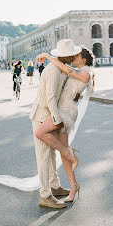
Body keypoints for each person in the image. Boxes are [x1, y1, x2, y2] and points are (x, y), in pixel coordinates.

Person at [35, 47, 94, 202]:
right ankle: (73, 186)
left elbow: (63, 67)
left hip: (66, 111)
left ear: (83, 59)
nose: (74, 57)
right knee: (61, 151)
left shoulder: (86, 73)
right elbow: (63, 69)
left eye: (77, 55)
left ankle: (69, 153)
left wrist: (47, 55)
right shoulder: (78, 70)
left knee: (40, 132)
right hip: (63, 109)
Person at [29, 39, 82, 209]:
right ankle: (45, 195)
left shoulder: (60, 68)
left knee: (50, 154)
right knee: (44, 156)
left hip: (49, 115)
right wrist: (57, 119)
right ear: (64, 56)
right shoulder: (52, 70)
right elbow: (50, 96)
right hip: (42, 115)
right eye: (71, 54)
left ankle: (54, 185)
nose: (74, 56)